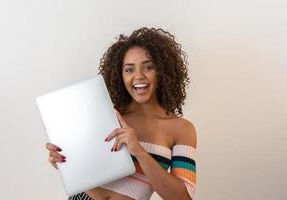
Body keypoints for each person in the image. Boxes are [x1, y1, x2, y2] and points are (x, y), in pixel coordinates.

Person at [45, 27, 197, 200]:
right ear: (120, 75)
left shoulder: (182, 129)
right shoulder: (105, 115)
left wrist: (139, 152)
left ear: (162, 71)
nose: (138, 76)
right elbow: (86, 173)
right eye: (129, 69)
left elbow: (183, 198)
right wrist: (64, 162)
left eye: (148, 67)